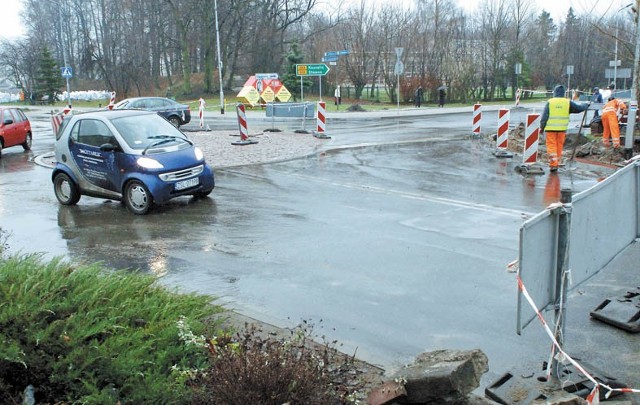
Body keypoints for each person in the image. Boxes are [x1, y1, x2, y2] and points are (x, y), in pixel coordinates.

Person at [540, 84, 589, 172]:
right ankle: (556, 163)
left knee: (552, 146)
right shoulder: (567, 102)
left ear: (555, 92)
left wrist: (541, 128)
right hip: (562, 129)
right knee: (559, 147)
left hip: (550, 129)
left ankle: (553, 164)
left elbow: (544, 117)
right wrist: (585, 105)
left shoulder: (550, 102)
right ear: (563, 93)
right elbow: (578, 109)